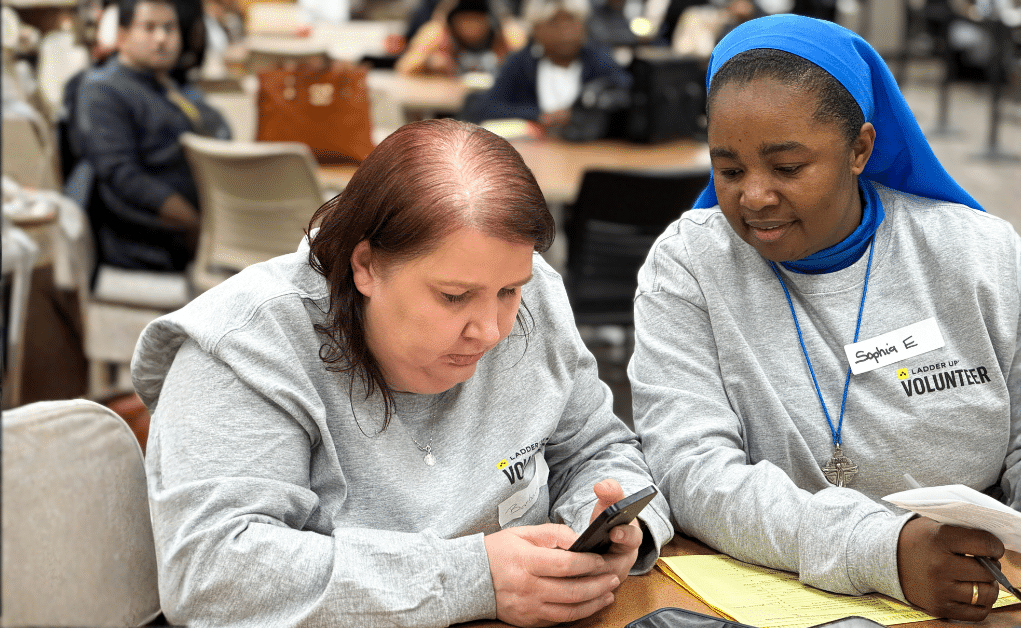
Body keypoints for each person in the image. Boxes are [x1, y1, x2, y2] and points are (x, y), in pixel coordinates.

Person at [628, 14, 1021, 623]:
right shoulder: (691, 266)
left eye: (787, 168)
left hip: (981, 596)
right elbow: (693, 471)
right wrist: (885, 551)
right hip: (773, 599)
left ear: (860, 149)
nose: (753, 196)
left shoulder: (979, 255)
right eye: (728, 170)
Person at [132, 117, 673, 627]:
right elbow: (212, 573)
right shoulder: (243, 347)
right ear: (365, 266)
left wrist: (603, 528)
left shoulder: (533, 295)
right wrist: (473, 578)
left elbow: (598, 448)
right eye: (454, 296)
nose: (490, 329)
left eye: (509, 291)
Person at [74, 0, 230, 272]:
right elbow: (123, 177)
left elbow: (216, 128)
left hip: (215, 220)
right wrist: (198, 225)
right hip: (155, 239)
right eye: (149, 27)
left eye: (169, 28)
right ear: (122, 36)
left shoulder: (166, 82)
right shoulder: (103, 89)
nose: (161, 38)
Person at [464, 0, 630, 132]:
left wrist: (580, 114)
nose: (566, 31)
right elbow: (488, 107)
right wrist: (539, 116)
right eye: (554, 23)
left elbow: (625, 93)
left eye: (572, 21)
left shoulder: (597, 59)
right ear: (536, 30)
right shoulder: (521, 63)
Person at [397, 0, 522, 77]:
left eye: (476, 21)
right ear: (453, 21)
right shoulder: (438, 33)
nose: (470, 28)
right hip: (445, 105)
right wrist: (429, 62)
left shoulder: (505, 35)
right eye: (464, 21)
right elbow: (403, 67)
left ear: (488, 21)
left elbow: (528, 68)